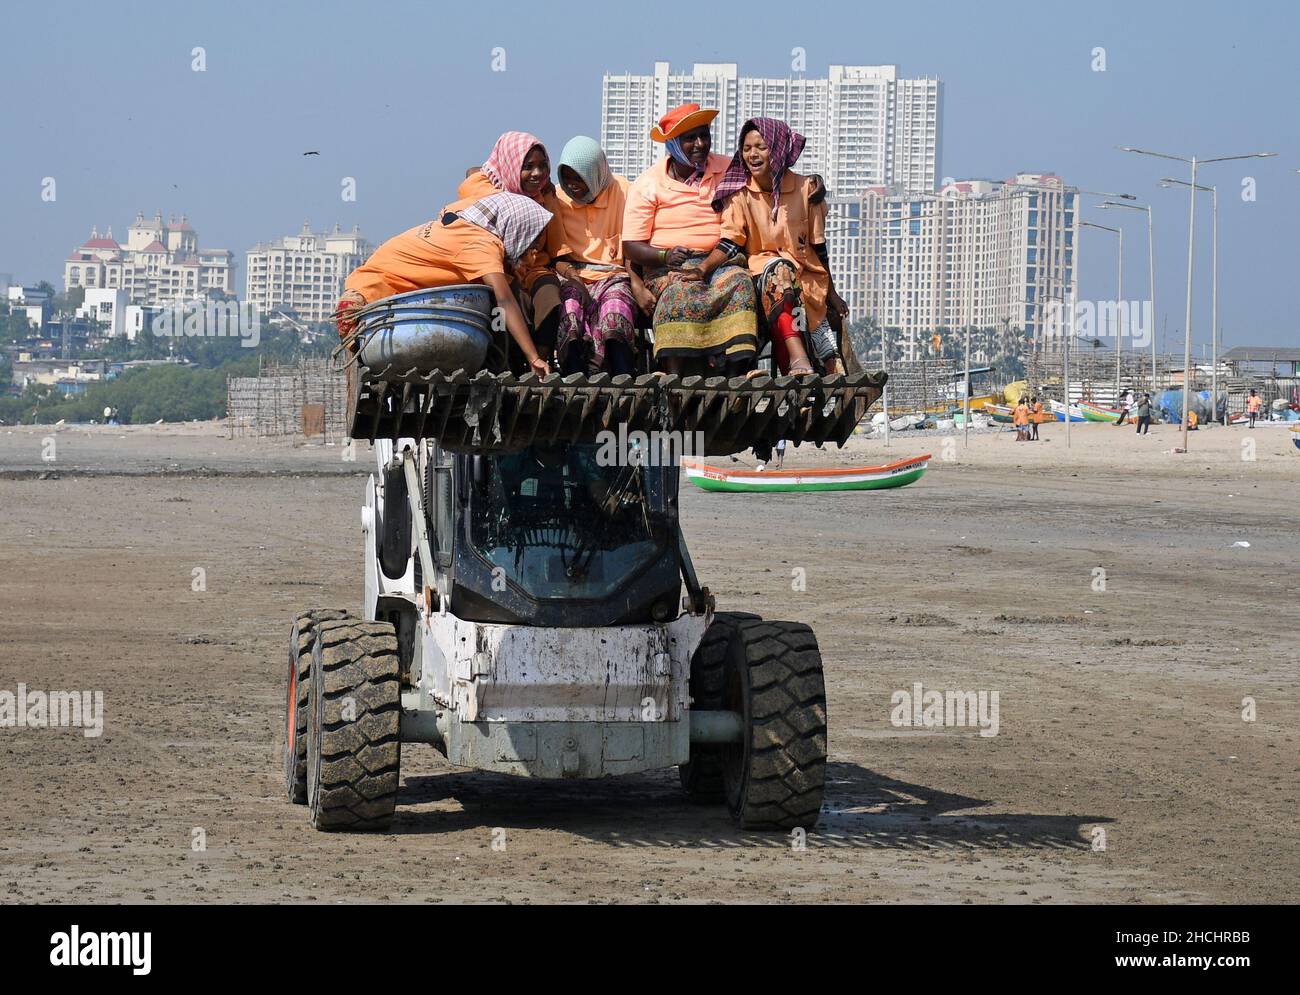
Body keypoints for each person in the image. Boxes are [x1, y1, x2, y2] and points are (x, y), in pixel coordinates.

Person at [334, 192, 554, 377]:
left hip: (394, 289)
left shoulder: (469, 228)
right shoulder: (481, 245)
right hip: (372, 292)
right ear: (516, 230)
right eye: (531, 242)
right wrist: (533, 357)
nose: (533, 254)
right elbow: (504, 300)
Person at [698, 118, 847, 375]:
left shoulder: (807, 189)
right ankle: (797, 362)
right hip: (762, 275)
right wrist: (702, 269)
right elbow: (730, 242)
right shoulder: (740, 194)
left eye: (760, 147)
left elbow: (819, 248)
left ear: (777, 149)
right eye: (746, 148)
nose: (752, 155)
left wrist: (832, 293)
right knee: (779, 272)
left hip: (807, 278)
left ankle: (810, 372)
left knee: (795, 293)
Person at [620, 103, 760, 376]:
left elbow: (766, 178)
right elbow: (631, 246)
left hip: (720, 260)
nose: (699, 144)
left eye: (704, 135)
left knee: (739, 284)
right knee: (679, 292)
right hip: (668, 266)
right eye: (689, 138)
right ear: (673, 143)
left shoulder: (729, 168)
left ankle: (739, 372)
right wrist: (664, 256)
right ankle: (673, 374)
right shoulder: (648, 183)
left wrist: (812, 183)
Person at [456, 132, 567, 365]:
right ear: (511, 166)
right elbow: (472, 174)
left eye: (542, 166)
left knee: (549, 295)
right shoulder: (484, 189)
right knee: (505, 304)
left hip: (533, 269)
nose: (537, 174)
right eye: (528, 167)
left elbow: (556, 248)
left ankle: (541, 365)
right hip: (498, 267)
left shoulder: (546, 196)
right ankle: (510, 365)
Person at [549, 136, 642, 374]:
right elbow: (555, 255)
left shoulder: (623, 191)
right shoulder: (557, 199)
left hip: (613, 274)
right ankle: (575, 376)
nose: (573, 185)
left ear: (595, 172)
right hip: (572, 274)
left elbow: (632, 243)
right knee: (569, 309)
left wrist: (636, 282)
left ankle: (623, 377)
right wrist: (573, 277)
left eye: (579, 177)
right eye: (567, 178)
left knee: (615, 308)